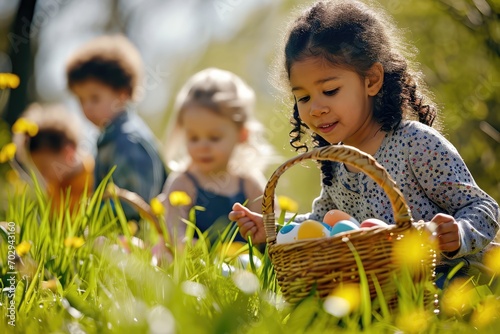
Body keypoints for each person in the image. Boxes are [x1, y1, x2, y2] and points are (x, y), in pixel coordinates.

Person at [229, 0, 500, 288]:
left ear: (371, 80)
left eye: (330, 91)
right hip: (390, 287)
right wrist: (274, 229)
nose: (316, 108)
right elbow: (321, 225)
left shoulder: (416, 143)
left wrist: (458, 233)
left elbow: (483, 207)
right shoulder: (338, 162)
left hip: (454, 278)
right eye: (304, 98)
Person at [161, 67, 274, 247]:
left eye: (214, 138)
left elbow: (271, 234)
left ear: (241, 135)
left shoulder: (250, 184)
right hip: (198, 271)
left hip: (247, 273)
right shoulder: (184, 184)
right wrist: (196, 252)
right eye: (193, 138)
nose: (203, 146)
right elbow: (175, 233)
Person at [65, 34, 168, 223]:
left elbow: (136, 205)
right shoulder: (110, 138)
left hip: (139, 241)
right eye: (81, 100)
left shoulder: (128, 141)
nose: (87, 108)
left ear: (122, 94)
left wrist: (94, 218)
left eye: (94, 98)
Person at [14, 103, 94, 214]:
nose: (43, 175)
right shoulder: (54, 188)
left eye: (44, 168)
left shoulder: (95, 178)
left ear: (68, 153)